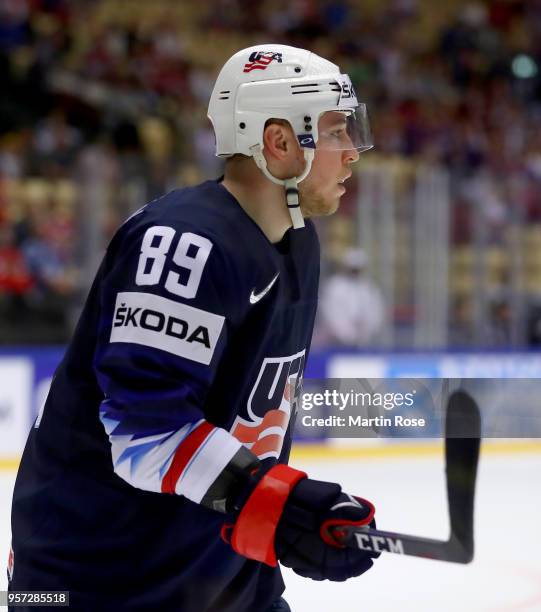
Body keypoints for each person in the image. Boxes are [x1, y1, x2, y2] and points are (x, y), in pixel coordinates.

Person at [9, 44, 379, 612]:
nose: (353, 151)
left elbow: (255, 431)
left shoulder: (298, 242)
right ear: (279, 142)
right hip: (91, 583)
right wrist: (281, 504)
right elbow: (145, 430)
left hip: (210, 579)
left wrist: (263, 563)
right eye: (335, 131)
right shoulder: (185, 243)